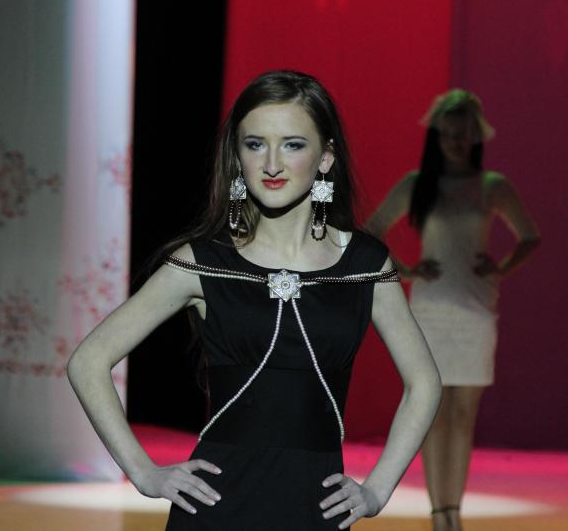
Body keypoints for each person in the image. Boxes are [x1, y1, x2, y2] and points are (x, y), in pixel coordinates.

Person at [68, 70, 441, 530]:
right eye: (255, 144)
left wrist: (378, 489)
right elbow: (88, 361)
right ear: (237, 155)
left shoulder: (364, 264)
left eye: (292, 145)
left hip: (315, 508)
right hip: (214, 507)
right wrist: (144, 473)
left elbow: (424, 382)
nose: (272, 164)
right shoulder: (204, 262)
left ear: (326, 157)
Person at [365, 89, 541, 531]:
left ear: (476, 135)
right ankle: (438, 513)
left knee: (463, 418)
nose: (456, 141)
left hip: (475, 312)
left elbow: (529, 236)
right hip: (430, 311)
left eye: (463, 133)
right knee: (433, 412)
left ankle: (453, 514)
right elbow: (372, 230)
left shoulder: (492, 186)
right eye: (449, 133)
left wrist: (501, 268)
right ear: (437, 135)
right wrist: (406, 270)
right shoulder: (417, 184)